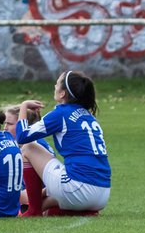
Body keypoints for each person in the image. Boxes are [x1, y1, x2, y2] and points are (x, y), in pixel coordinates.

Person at [15, 70, 111, 214]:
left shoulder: (62, 113)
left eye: (57, 83)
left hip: (79, 187)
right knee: (52, 197)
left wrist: (23, 107)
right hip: (103, 194)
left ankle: (33, 211)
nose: (55, 85)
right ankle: (83, 210)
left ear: (62, 94)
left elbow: (22, 136)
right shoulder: (89, 116)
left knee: (28, 148)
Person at [4, 104, 50, 217]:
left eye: (9, 124)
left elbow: (41, 189)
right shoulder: (21, 144)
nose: (5, 128)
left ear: (23, 125)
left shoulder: (33, 146)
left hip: (39, 195)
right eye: (4, 123)